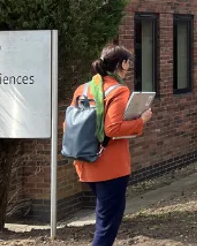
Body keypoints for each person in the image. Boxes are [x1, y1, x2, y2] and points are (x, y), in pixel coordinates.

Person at [69, 45, 153, 246]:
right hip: (110, 166)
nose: (129, 65)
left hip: (85, 161)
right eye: (128, 61)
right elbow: (112, 128)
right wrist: (141, 120)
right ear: (122, 64)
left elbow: (69, 123)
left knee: (104, 214)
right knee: (107, 223)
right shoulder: (118, 90)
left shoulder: (84, 89)